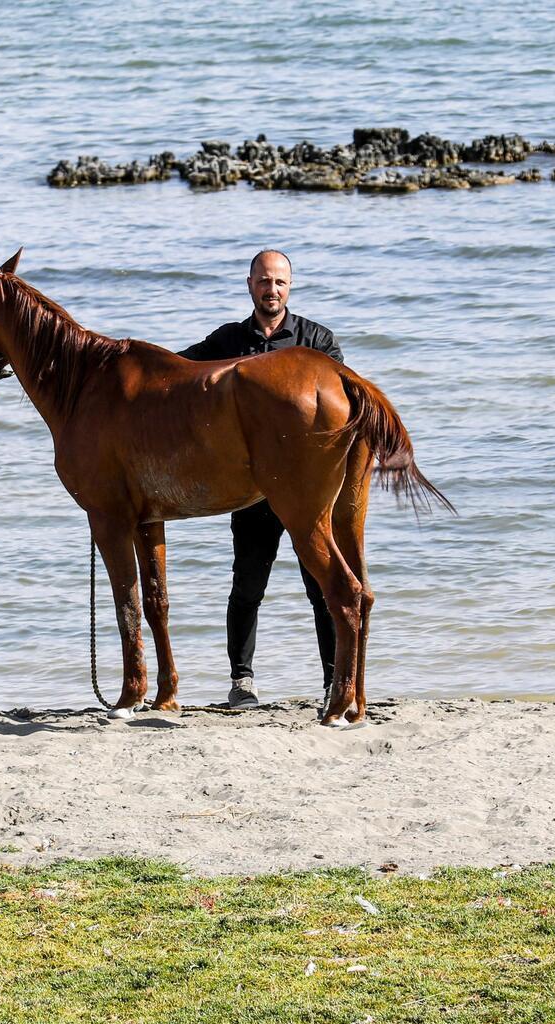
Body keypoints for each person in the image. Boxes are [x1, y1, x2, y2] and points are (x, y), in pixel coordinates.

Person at [180, 249, 344, 709]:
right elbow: (178, 374)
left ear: (289, 288)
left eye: (279, 283)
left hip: (307, 490)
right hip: (250, 490)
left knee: (321, 584)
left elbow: (339, 407)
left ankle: (333, 681)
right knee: (247, 586)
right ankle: (242, 681)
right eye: (264, 281)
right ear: (249, 283)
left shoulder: (317, 341)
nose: (271, 289)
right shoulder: (228, 340)